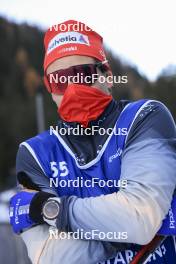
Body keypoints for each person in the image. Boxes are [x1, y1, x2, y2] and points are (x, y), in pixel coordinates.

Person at [9, 20, 176, 264]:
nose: (73, 88)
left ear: (107, 76)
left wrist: (50, 209)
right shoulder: (35, 154)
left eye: (82, 74)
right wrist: (132, 227)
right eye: (60, 81)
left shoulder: (144, 118)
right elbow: (51, 257)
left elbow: (139, 217)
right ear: (50, 89)